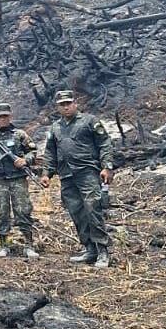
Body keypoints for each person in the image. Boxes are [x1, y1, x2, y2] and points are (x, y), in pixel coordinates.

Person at [41, 90, 114, 269]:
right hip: (66, 175)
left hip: (87, 171)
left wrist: (107, 166)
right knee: (76, 212)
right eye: (62, 104)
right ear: (57, 107)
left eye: (69, 103)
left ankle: (102, 250)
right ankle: (89, 248)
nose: (66, 107)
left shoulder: (89, 121)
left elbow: (105, 143)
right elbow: (50, 151)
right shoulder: (55, 127)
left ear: (75, 103)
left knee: (92, 209)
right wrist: (46, 173)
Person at [0, 102, 39, 259]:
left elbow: (33, 151)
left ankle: (28, 244)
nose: (3, 119)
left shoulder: (20, 134)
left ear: (10, 116)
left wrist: (24, 160)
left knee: (23, 210)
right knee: (0, 211)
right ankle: (4, 245)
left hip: (18, 178)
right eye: (0, 117)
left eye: (6, 116)